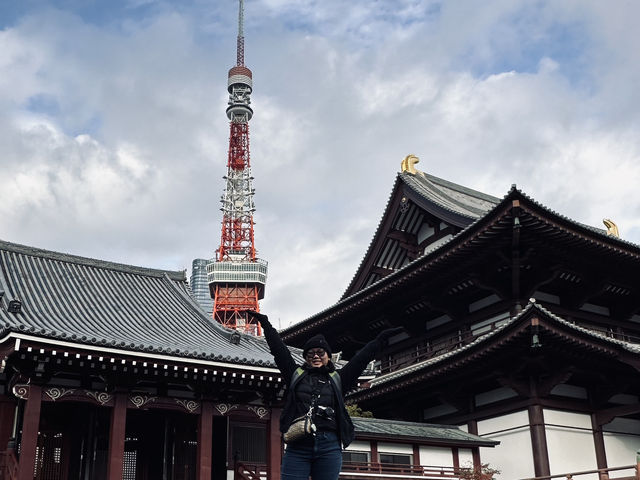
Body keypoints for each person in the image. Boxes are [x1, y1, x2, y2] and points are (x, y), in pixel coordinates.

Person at [248, 310, 403, 480]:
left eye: (320, 353)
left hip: (329, 444)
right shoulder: (295, 374)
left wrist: (378, 341)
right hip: (298, 443)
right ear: (305, 358)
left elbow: (360, 360)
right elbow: (279, 351)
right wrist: (266, 325)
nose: (315, 356)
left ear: (329, 356)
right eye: (310, 353)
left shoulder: (339, 379)